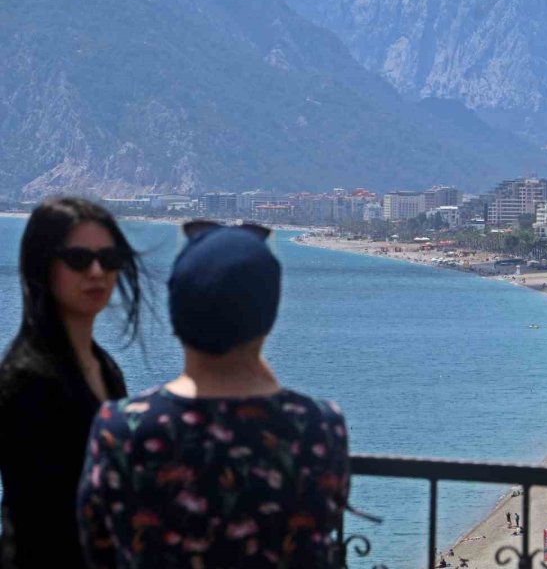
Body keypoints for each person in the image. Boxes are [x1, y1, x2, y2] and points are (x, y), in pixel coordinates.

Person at [77, 221, 349, 568]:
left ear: (177, 316)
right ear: (268, 317)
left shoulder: (120, 428)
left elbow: (96, 550)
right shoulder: (320, 427)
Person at [0, 198, 141, 568]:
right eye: (79, 260)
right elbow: (40, 519)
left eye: (109, 259)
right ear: (43, 266)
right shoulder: (27, 380)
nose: (97, 272)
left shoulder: (104, 367)